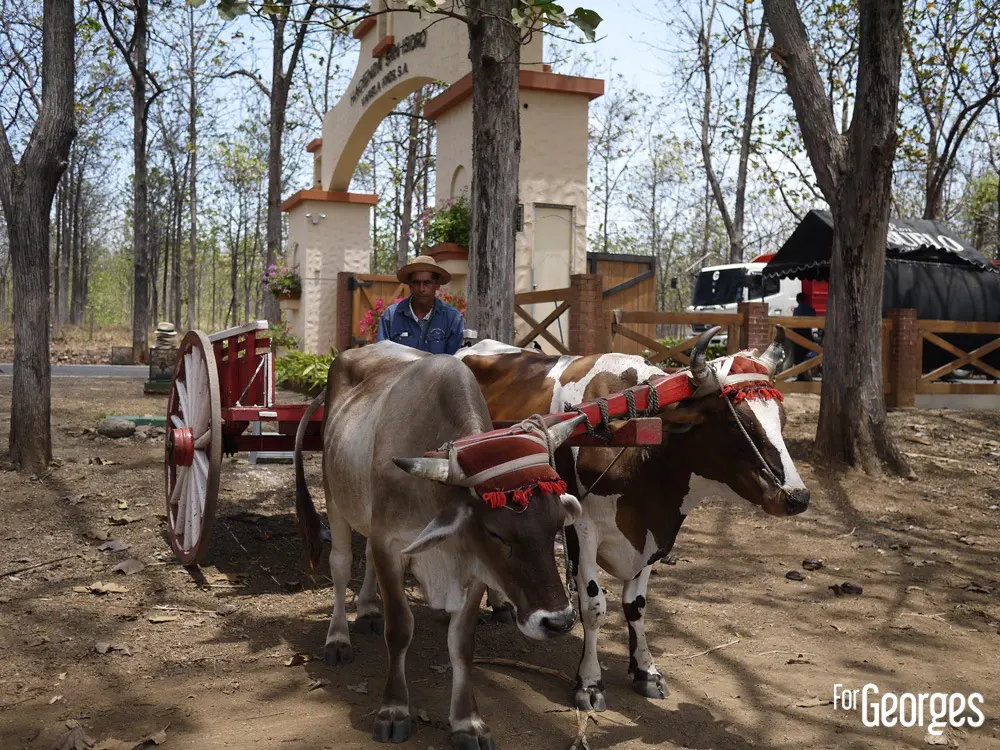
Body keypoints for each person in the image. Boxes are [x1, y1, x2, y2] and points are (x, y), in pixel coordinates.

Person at [376, 254, 465, 355]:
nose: (421, 289)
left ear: (437, 285)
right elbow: (380, 358)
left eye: (427, 283)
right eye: (416, 283)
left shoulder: (452, 319)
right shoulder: (390, 317)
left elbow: (455, 363)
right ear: (410, 285)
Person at [791, 292, 817, 380]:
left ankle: (800, 376)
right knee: (807, 355)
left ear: (797, 300)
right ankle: (807, 375)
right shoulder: (811, 309)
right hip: (807, 334)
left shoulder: (796, 310)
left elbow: (794, 323)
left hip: (798, 334)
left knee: (799, 356)